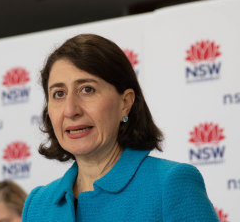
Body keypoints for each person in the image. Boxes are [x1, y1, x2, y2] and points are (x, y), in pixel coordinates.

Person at [22, 34, 219, 221]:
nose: (70, 110)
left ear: (125, 102)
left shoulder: (171, 184)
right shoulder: (38, 205)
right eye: (58, 94)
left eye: (87, 89)